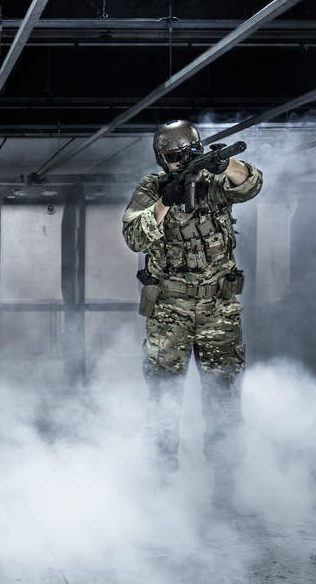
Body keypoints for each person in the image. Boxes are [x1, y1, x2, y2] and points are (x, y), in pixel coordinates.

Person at [122, 121, 263, 508]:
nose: (180, 162)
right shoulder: (152, 188)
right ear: (161, 159)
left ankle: (225, 486)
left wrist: (226, 164)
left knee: (224, 396)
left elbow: (252, 185)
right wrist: (164, 202)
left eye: (187, 154)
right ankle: (159, 486)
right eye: (173, 157)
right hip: (170, 311)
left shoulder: (214, 181)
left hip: (219, 308)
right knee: (163, 399)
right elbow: (133, 237)